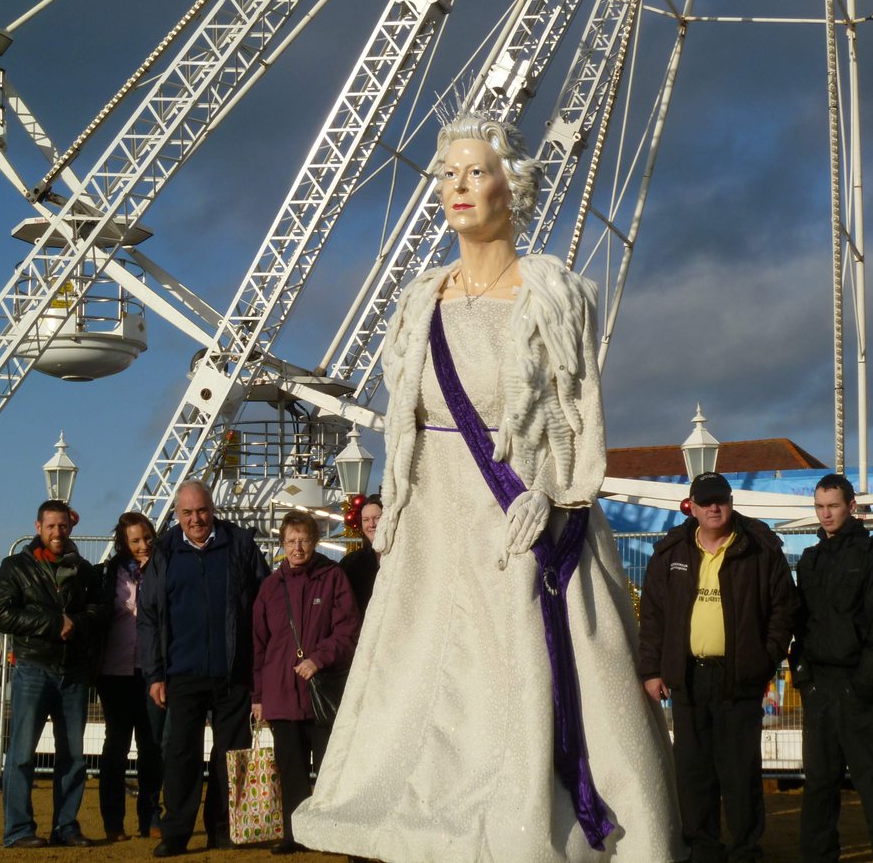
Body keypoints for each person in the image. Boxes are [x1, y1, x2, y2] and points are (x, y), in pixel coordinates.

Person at [293, 114, 683, 861]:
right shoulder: (418, 302)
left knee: (520, 676)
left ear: (515, 185)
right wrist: (396, 503)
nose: (458, 188)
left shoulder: (554, 295)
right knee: (424, 679)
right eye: (447, 174)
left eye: (475, 172)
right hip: (437, 520)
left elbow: (576, 415)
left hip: (522, 515)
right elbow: (403, 423)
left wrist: (560, 494)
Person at [639, 471, 798, 863]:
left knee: (740, 775)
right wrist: (651, 671)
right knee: (694, 777)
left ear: (730, 502)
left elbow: (784, 608)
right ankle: (704, 851)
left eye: (720, 500)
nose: (714, 508)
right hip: (688, 679)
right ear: (691, 506)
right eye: (705, 501)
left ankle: (746, 852)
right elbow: (654, 614)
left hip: (738, 679)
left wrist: (764, 659)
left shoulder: (760, 548)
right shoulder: (671, 552)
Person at [137, 479, 271, 857]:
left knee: (230, 757)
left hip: (233, 671)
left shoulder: (240, 546)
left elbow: (264, 604)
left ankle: (222, 829)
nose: (196, 519)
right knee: (181, 756)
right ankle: (176, 832)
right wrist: (155, 674)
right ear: (177, 515)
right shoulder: (163, 553)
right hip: (182, 671)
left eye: (202, 511)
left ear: (213, 508)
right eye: (187, 513)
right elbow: (148, 618)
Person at [790, 473, 873, 862]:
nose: (825, 514)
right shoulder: (809, 559)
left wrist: (863, 684)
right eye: (820, 507)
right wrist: (804, 677)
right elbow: (799, 623)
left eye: (833, 506)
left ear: (851, 506)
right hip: (819, 689)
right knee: (819, 788)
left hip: (858, 687)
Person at [0, 499, 102, 849]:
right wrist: (56, 623)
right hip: (33, 668)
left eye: (63, 526)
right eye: (51, 526)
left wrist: (76, 623)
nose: (57, 532)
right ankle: (19, 830)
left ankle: (66, 827)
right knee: (22, 754)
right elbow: (4, 615)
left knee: (72, 758)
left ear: (70, 527)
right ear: (38, 527)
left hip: (72, 673)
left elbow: (98, 613)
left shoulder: (85, 571)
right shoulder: (15, 567)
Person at [252, 510, 360, 854]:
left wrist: (319, 658)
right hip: (282, 693)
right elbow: (258, 644)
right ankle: (295, 833)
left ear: (314, 541)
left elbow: (348, 631)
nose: (297, 548)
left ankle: (329, 831)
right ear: (282, 543)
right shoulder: (270, 587)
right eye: (291, 541)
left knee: (329, 767)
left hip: (322, 692)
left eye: (304, 540)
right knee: (291, 769)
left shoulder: (333, 578)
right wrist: (258, 697)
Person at [95, 512, 165, 842]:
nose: (143, 546)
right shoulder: (110, 574)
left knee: (151, 747)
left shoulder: (165, 570)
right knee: (116, 746)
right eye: (135, 541)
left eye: (146, 538)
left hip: (152, 671)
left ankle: (150, 816)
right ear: (123, 543)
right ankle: (113, 820)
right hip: (115, 670)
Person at [337, 495, 382, 617]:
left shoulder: (401, 558)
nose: (372, 524)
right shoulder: (352, 563)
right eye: (366, 520)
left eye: (377, 518)